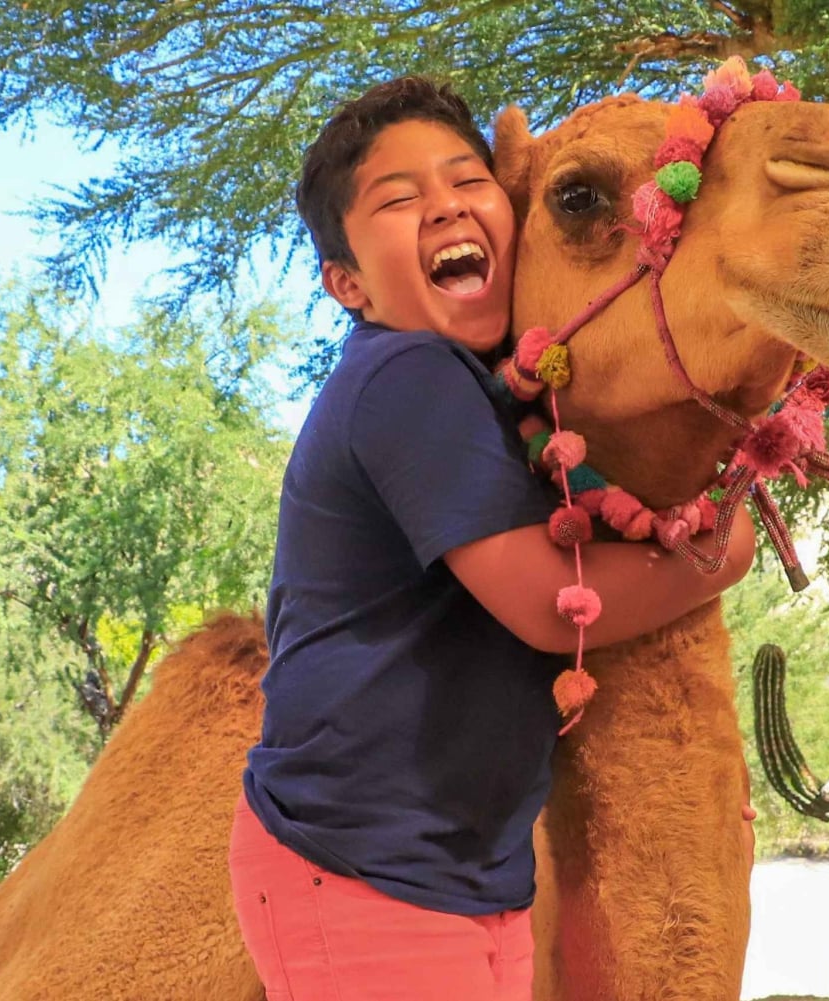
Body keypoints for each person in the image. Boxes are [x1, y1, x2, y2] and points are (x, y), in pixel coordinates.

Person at [229, 76, 757, 1001]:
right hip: (361, 859)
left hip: (457, 867)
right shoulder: (407, 373)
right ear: (347, 284)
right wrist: (720, 555)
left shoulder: (491, 399)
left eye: (465, 180)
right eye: (398, 199)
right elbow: (553, 605)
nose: (443, 207)